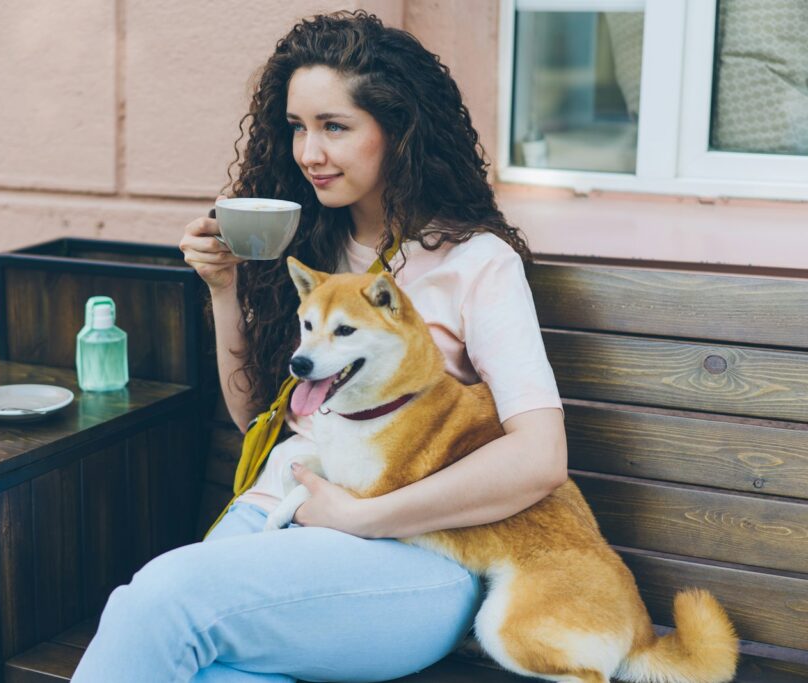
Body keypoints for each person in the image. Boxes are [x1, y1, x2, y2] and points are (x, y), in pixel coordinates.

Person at [72, 10, 566, 683]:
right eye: (298, 127)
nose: (309, 152)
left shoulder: (477, 263)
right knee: (211, 671)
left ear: (399, 131)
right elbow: (262, 421)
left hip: (414, 552)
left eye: (335, 126)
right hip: (278, 512)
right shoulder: (309, 247)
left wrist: (364, 516)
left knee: (157, 599)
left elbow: (540, 459)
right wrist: (224, 289)